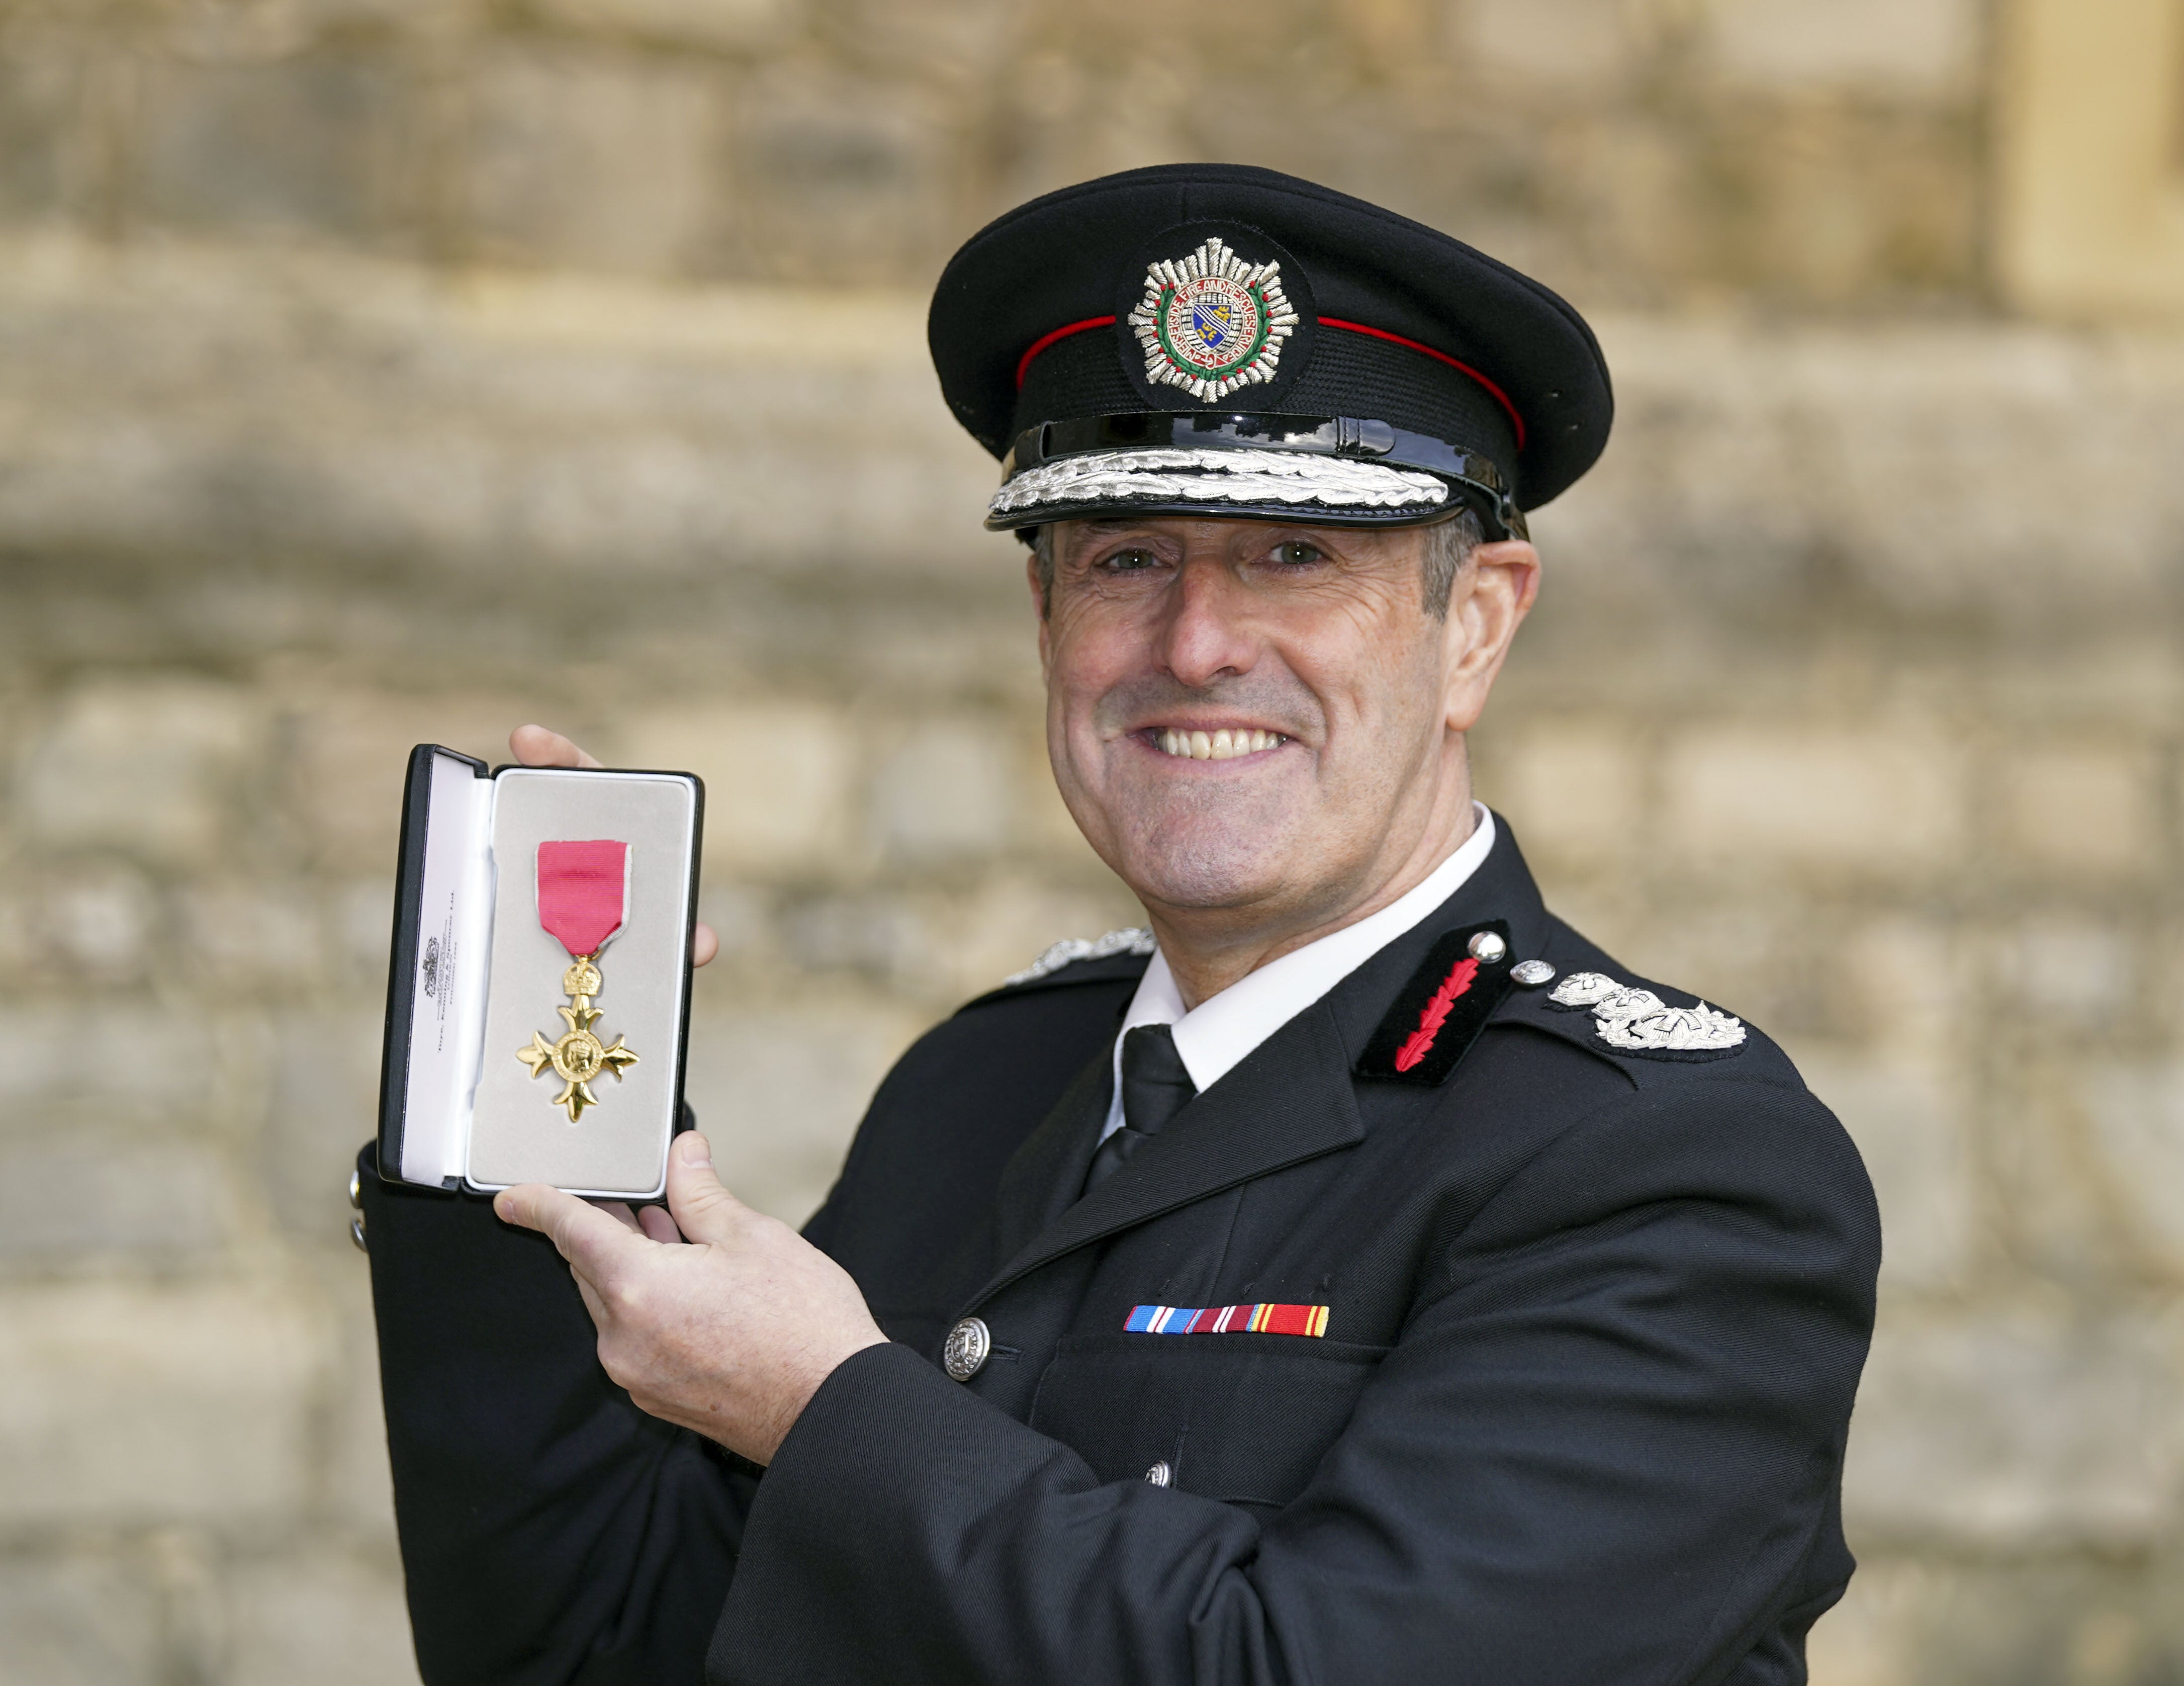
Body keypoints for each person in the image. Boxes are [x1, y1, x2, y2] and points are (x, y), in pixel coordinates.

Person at [357, 163, 1879, 1686]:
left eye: (1297, 557)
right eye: (1128, 559)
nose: (1198, 645)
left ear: (1473, 622)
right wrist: (524, 1097)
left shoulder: (1669, 1166)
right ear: (1045, 623)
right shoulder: (986, 1087)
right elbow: (592, 1652)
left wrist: (830, 1405)